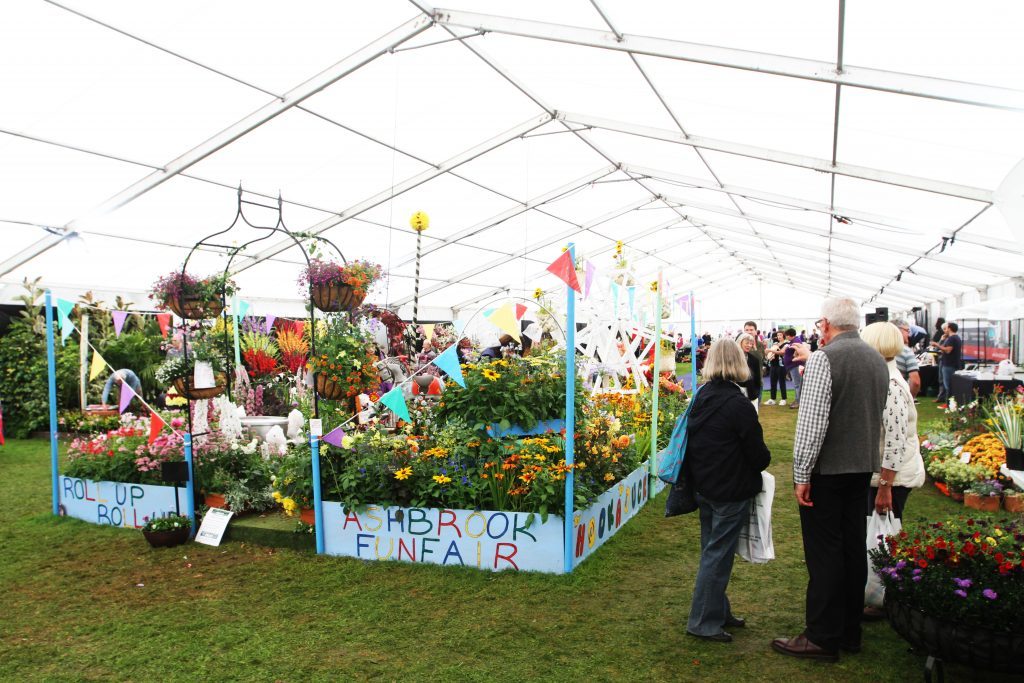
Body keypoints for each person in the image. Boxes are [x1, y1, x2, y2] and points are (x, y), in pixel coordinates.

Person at [772, 297, 888, 663]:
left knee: (825, 554)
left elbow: (812, 423)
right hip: (860, 468)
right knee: (852, 549)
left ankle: (822, 636)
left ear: (824, 324)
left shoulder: (825, 358)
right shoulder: (876, 359)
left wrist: (801, 473)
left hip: (829, 470)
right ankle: (849, 630)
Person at [684, 339, 771, 643]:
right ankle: (703, 621)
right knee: (717, 556)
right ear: (739, 363)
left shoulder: (701, 396)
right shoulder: (737, 404)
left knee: (713, 552)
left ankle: (717, 610)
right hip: (729, 489)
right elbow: (759, 455)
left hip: (704, 486)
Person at [859, 322, 926, 619]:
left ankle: (884, 597)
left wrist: (885, 485)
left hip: (892, 477)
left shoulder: (891, 384)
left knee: (884, 536)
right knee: (879, 534)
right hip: (888, 475)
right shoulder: (884, 376)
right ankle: (880, 593)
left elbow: (895, 439)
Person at [890, 319, 921, 397]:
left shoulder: (877, 348)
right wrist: (909, 399)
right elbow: (915, 382)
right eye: (907, 330)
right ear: (898, 330)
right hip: (899, 396)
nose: (909, 334)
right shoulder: (906, 351)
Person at [932, 321, 962, 403]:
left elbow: (948, 350)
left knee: (948, 385)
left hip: (949, 364)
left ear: (950, 328)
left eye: (947, 327)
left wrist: (936, 344)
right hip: (952, 363)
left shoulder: (952, 338)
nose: (945, 329)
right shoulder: (956, 338)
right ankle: (949, 402)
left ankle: (949, 403)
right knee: (949, 384)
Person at [736, 333, 762, 411]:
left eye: (751, 343)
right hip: (735, 393)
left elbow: (757, 379)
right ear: (740, 342)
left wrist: (755, 393)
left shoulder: (754, 359)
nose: (749, 345)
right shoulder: (732, 358)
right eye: (747, 343)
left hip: (751, 394)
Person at [782, 328, 805, 409]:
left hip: (795, 365)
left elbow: (799, 349)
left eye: (786, 336)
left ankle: (799, 402)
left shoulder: (796, 340)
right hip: (793, 365)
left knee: (797, 384)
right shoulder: (794, 341)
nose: (786, 337)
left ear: (789, 335)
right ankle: (797, 400)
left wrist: (795, 354)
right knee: (796, 384)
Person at [765, 330, 788, 406]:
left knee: (782, 383)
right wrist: (768, 352)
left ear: (783, 336)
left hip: (781, 366)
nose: (779, 337)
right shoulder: (775, 344)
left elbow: (782, 352)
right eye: (778, 335)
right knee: (772, 382)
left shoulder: (786, 344)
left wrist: (770, 350)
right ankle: (772, 399)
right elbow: (768, 353)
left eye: (780, 335)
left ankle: (783, 399)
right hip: (773, 365)